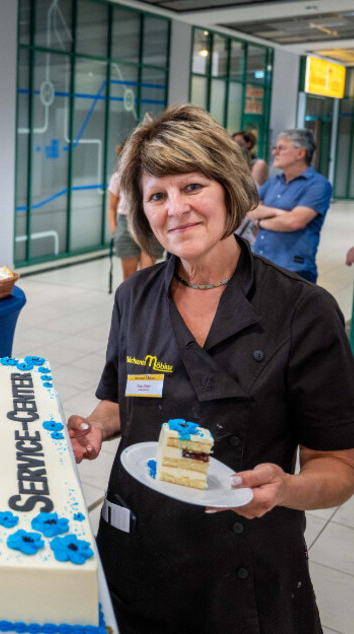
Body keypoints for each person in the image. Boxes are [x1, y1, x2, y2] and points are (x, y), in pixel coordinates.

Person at [68, 104, 354, 633]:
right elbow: (119, 400)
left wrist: (285, 489)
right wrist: (94, 427)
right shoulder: (134, 296)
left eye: (193, 186)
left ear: (230, 188)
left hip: (243, 568)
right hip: (137, 547)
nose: (175, 209)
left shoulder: (302, 309)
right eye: (157, 195)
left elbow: (338, 467)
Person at [246, 128, 332, 283]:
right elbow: (251, 210)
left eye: (281, 148)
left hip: (295, 270)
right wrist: (280, 213)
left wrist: (261, 222)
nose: (274, 153)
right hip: (261, 263)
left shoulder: (318, 185)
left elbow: (295, 222)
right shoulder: (273, 182)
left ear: (300, 153)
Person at [107, 144, 162, 280]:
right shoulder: (118, 177)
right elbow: (111, 207)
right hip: (125, 223)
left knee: (147, 274)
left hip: (148, 222)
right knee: (129, 277)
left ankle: (145, 301)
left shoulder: (151, 175)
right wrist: (115, 229)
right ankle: (130, 302)